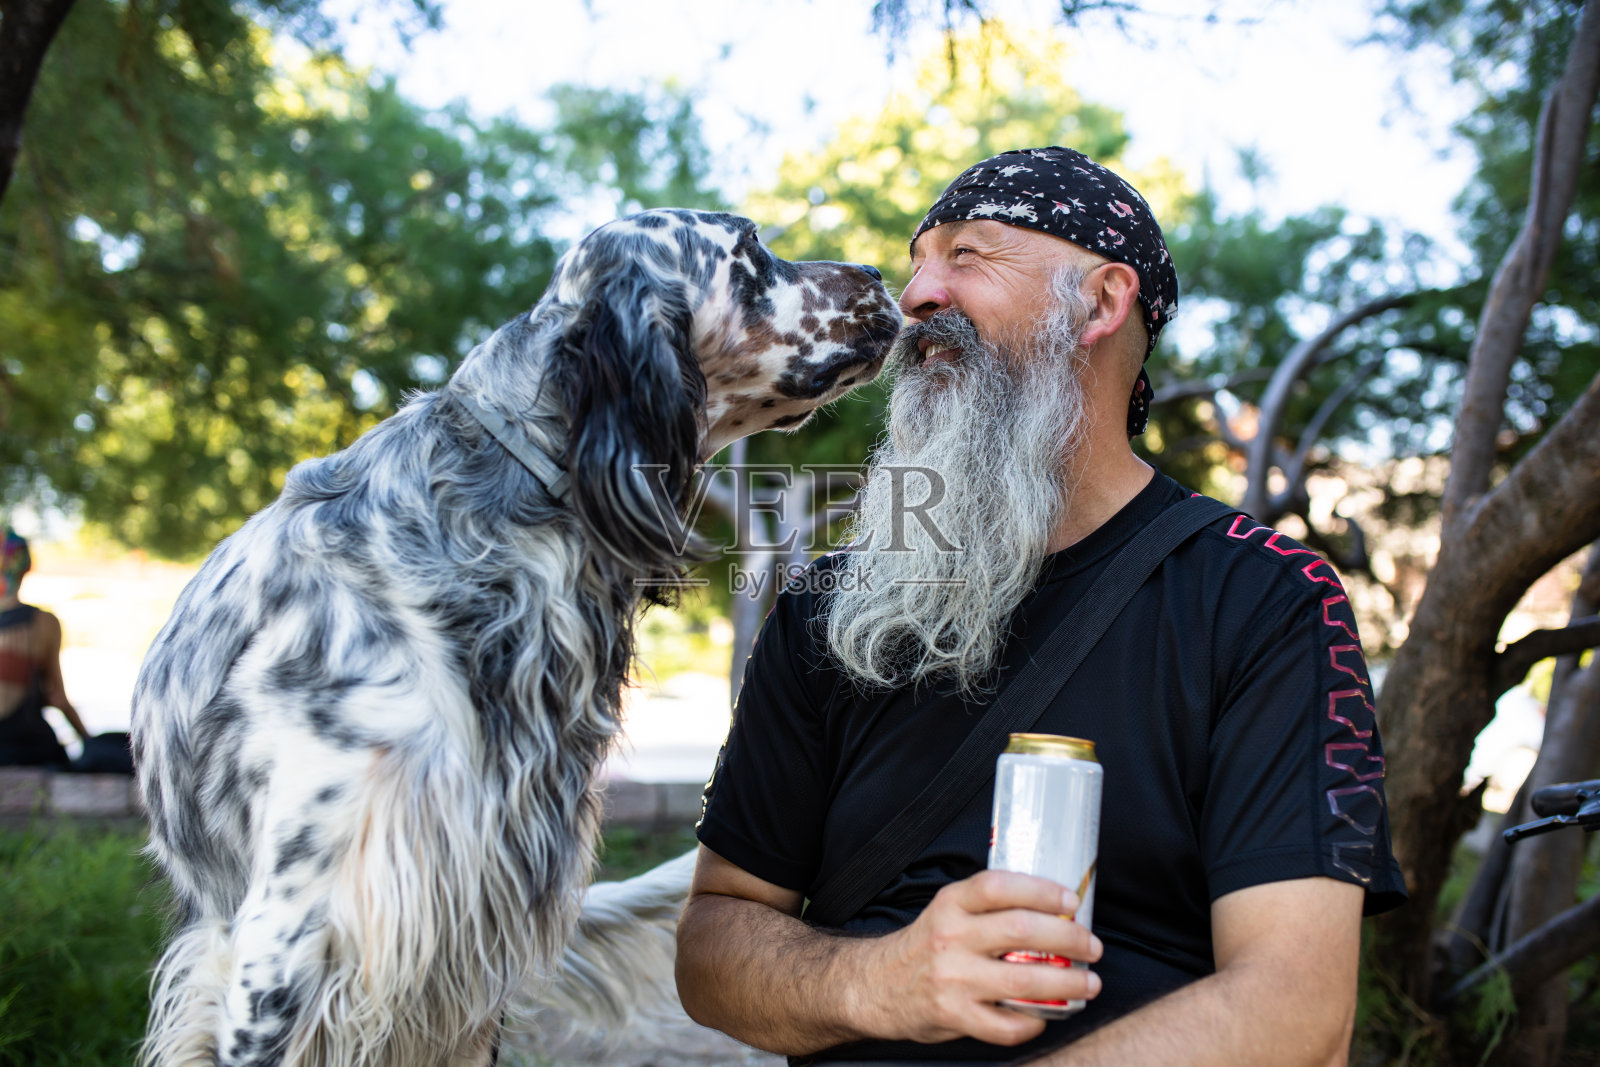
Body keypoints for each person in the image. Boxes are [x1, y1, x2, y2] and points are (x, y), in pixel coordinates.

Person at [675, 147, 1407, 1066]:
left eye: (968, 255)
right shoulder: (831, 603)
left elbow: (1297, 1011)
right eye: (918, 260)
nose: (916, 296)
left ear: (1101, 303)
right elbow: (714, 945)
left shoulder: (1265, 598)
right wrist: (885, 980)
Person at [0, 528, 91, 766]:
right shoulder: (44, 623)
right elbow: (58, 697)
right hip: (27, 751)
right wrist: (89, 742)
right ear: (25, 567)